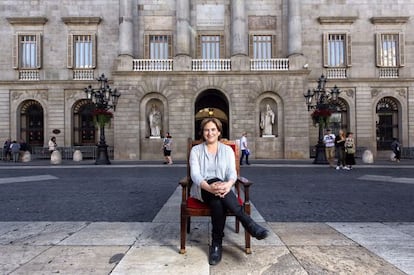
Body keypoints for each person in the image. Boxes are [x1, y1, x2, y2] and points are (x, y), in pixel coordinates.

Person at [189, 117, 268, 265]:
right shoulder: (196, 150)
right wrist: (209, 187)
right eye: (206, 130)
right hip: (203, 189)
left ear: (219, 132)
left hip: (224, 189)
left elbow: (232, 173)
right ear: (202, 132)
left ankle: (216, 244)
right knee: (214, 187)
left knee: (218, 201)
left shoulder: (227, 150)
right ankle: (248, 222)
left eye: (213, 129)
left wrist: (229, 183)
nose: (210, 133)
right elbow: (195, 175)